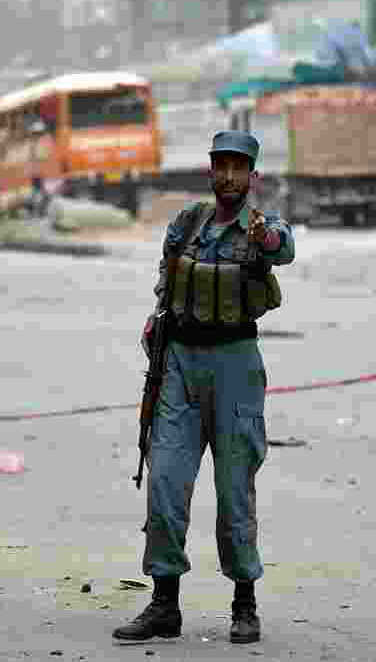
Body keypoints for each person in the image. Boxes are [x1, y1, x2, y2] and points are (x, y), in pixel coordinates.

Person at [113, 130, 295, 645]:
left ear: (252, 176)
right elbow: (166, 284)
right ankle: (164, 603)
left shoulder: (262, 225)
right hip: (179, 364)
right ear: (211, 171)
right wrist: (156, 325)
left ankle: (244, 602)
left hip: (235, 366)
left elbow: (283, 249)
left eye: (241, 168)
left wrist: (266, 239)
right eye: (223, 166)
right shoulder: (187, 225)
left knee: (235, 490)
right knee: (166, 484)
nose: (230, 177)